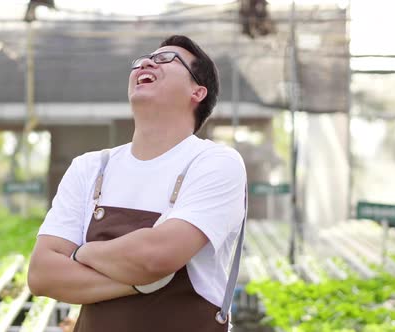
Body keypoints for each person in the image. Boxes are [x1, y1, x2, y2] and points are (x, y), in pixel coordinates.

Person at [28, 35, 247, 331]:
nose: (146, 63)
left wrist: (82, 253)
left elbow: (157, 256)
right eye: (143, 60)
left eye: (166, 59)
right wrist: (142, 283)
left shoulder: (214, 162)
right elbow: (42, 274)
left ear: (197, 91)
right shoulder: (91, 168)